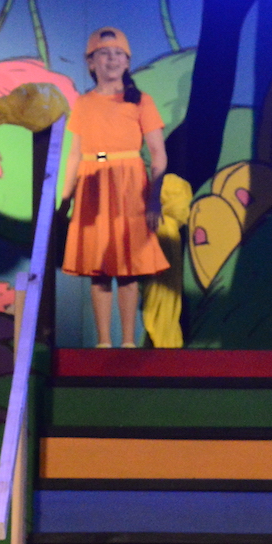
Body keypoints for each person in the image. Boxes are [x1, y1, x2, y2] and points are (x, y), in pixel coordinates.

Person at [59, 26, 170, 348]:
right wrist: (65, 201)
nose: (111, 59)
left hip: (130, 186)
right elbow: (76, 155)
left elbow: (158, 154)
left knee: (128, 266)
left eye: (118, 53)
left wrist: (154, 199)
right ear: (91, 62)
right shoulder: (83, 103)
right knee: (99, 267)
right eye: (103, 53)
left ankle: (128, 343)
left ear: (127, 61)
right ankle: (104, 342)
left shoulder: (141, 101)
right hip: (94, 185)